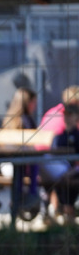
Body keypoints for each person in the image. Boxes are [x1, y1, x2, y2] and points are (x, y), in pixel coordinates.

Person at [38, 86, 79, 218]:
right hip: (56, 165)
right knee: (63, 177)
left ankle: (56, 209)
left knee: (65, 177)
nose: (67, 117)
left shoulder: (54, 113)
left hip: (56, 166)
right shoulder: (61, 123)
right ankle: (60, 210)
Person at [1, 87, 41, 216]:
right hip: (11, 165)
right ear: (27, 103)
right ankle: (29, 196)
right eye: (33, 103)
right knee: (32, 162)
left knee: (29, 162)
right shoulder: (22, 121)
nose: (35, 106)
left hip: (13, 164)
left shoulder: (11, 119)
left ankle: (20, 201)